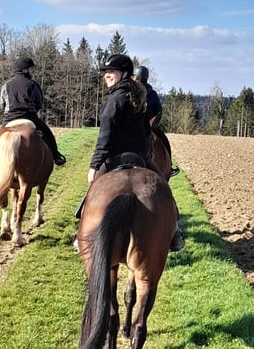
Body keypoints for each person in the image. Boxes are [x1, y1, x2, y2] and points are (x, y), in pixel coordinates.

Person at [78, 53, 184, 251]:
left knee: (92, 193)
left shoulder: (115, 99)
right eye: (105, 72)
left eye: (111, 72)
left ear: (124, 73)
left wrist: (95, 165)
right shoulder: (139, 94)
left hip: (115, 158)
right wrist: (145, 153)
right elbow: (146, 128)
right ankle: (175, 230)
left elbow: (105, 137)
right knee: (164, 189)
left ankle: (82, 234)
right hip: (139, 157)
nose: (106, 75)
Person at [0, 57, 66, 165]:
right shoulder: (33, 85)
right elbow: (39, 104)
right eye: (31, 69)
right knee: (48, 134)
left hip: (9, 118)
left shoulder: (6, 85)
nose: (33, 72)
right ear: (25, 70)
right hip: (29, 117)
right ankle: (56, 156)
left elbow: (2, 104)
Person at [132, 65, 179, 176]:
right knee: (163, 139)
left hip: (133, 125)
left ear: (136, 77)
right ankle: (169, 166)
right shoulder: (152, 92)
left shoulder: (131, 91)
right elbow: (158, 110)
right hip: (150, 125)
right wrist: (153, 123)